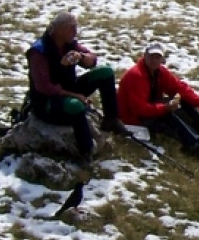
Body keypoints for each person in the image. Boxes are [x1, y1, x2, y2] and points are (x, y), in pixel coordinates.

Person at [26, 11, 125, 160]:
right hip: (47, 102)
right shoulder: (39, 51)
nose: (75, 32)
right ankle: (86, 152)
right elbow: (44, 87)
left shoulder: (69, 44)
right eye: (71, 28)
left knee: (106, 72)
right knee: (76, 106)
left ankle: (111, 120)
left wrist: (81, 57)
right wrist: (74, 95)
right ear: (60, 30)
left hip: (69, 88)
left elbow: (92, 60)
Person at [116, 41, 199, 159]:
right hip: (133, 118)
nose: (154, 60)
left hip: (149, 110)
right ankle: (193, 146)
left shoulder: (159, 72)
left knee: (182, 99)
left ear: (162, 59)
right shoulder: (136, 75)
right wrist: (164, 108)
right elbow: (139, 109)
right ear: (145, 56)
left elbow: (179, 88)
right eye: (151, 56)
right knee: (166, 113)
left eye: (157, 57)